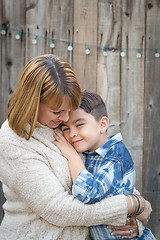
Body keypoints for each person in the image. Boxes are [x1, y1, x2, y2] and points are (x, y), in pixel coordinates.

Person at [0, 54, 151, 240]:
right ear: (33, 102)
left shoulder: (62, 126)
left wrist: (138, 208)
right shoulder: (13, 140)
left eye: (68, 110)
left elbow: (104, 175)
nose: (65, 119)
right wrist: (128, 206)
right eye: (57, 112)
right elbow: (59, 209)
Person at [53, 91, 156, 240]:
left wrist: (72, 156)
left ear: (102, 125)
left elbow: (89, 193)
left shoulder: (116, 156)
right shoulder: (88, 154)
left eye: (80, 124)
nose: (72, 133)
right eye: (65, 129)